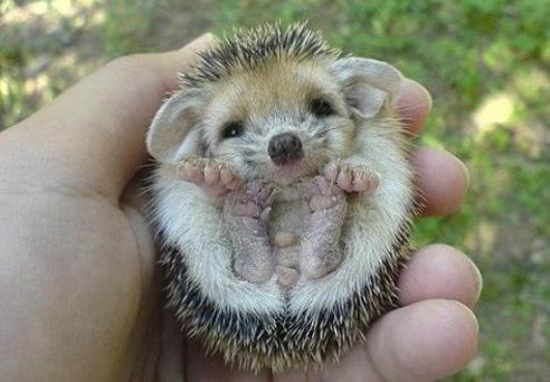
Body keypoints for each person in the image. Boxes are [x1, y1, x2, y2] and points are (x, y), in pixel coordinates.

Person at [0, 33, 481, 381]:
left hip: (292, 271)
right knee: (188, 190)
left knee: (375, 176)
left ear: (356, 96)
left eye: (317, 107)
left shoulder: (359, 127)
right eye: (233, 130)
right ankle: (309, 234)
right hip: (265, 274)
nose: (284, 143)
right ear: (192, 129)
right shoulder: (197, 153)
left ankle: (268, 236)